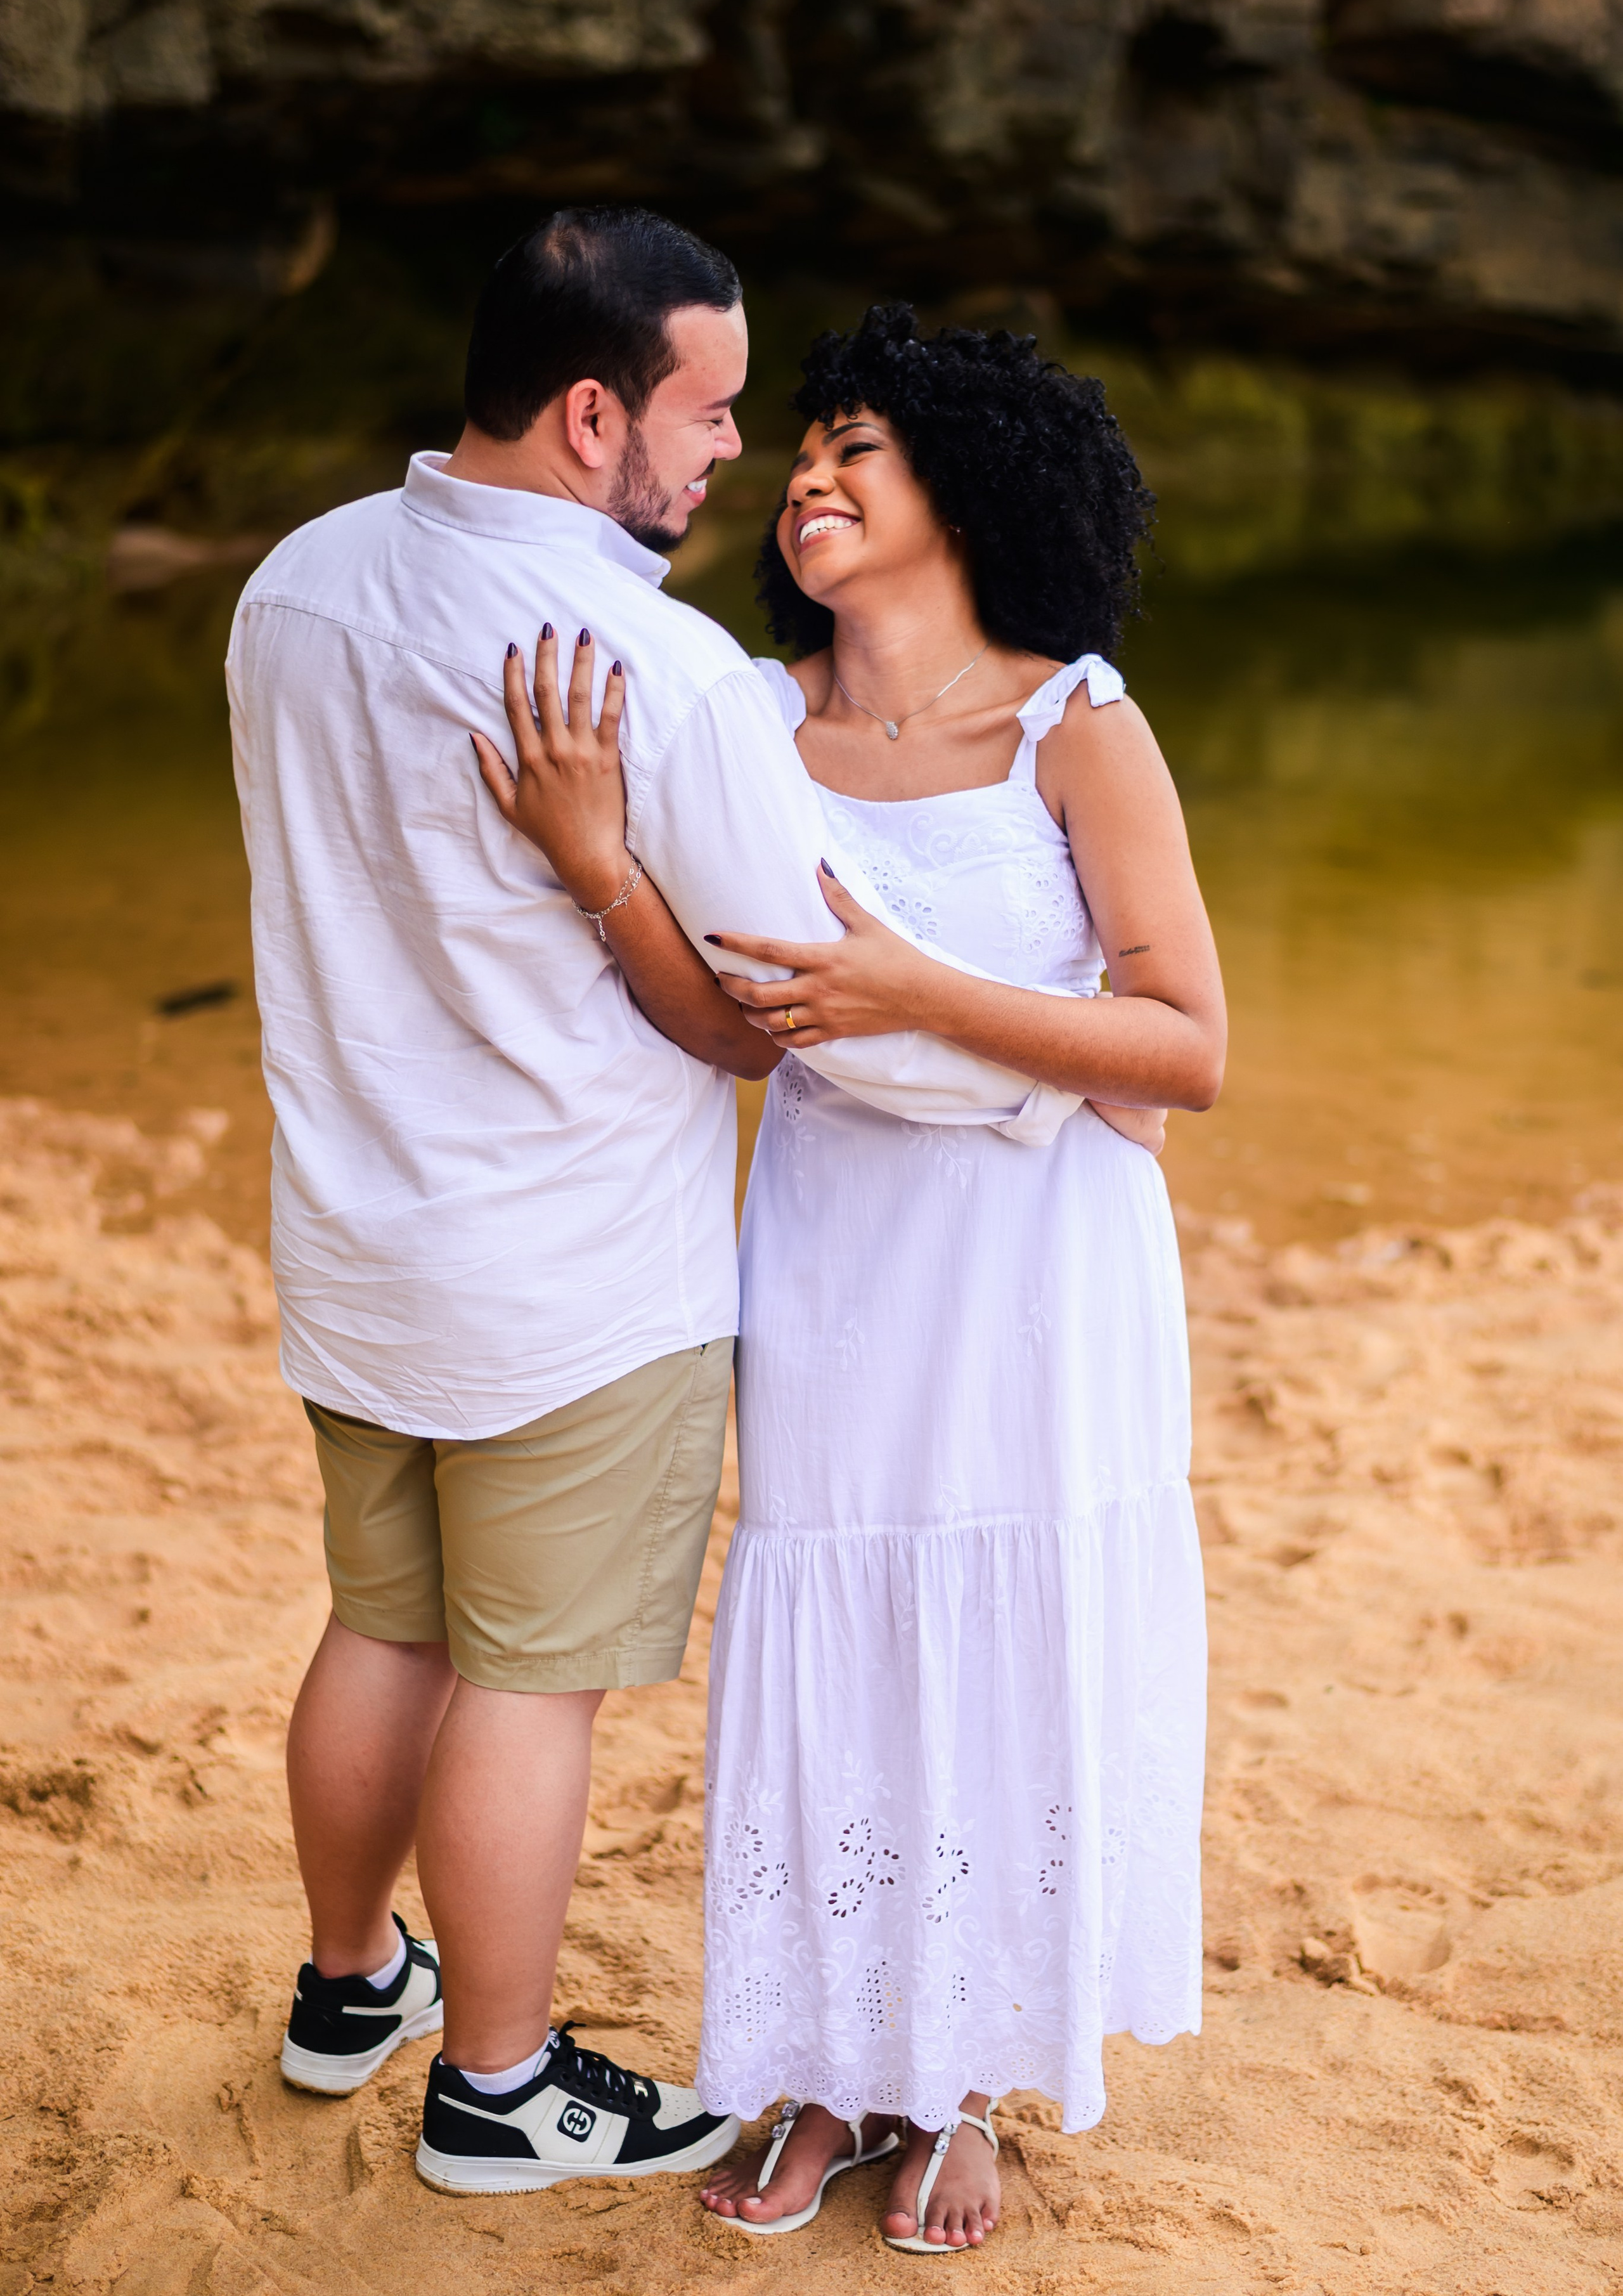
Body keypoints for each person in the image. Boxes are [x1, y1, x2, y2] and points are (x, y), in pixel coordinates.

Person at [227, 211, 1087, 2198]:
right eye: (704, 414)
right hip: (570, 1271)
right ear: (593, 404)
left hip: (355, 1230)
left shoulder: (294, 587)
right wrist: (1044, 1067)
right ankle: (503, 2085)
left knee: (383, 1624)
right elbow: (773, 1010)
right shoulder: (654, 660)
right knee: (529, 1675)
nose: (735, 459)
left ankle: (354, 1980)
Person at [476, 302, 1224, 2251]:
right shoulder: (748, 721)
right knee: (836, 1620)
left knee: (1003, 1635)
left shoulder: (1078, 722)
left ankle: (958, 2078)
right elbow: (734, 1034)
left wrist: (914, 990)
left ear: (961, 491)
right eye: (795, 448)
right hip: (834, 1251)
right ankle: (819, 2063)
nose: (804, 474)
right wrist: (591, 861)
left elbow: (1191, 1044)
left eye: (853, 448)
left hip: (1041, 1270)